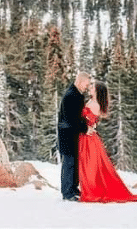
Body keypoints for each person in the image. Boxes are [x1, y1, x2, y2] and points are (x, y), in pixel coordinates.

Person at [78, 80, 137, 203]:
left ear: (98, 91)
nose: (90, 87)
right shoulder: (91, 102)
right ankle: (90, 191)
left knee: (89, 166)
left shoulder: (94, 104)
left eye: (92, 87)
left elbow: (87, 119)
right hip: (87, 136)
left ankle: (92, 192)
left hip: (89, 137)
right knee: (89, 166)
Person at [57, 71, 93, 201]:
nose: (87, 87)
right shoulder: (71, 95)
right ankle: (67, 193)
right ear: (80, 81)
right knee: (69, 164)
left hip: (74, 136)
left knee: (75, 163)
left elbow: (78, 116)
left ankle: (73, 188)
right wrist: (84, 128)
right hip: (67, 136)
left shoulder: (77, 94)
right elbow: (70, 119)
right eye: (86, 84)